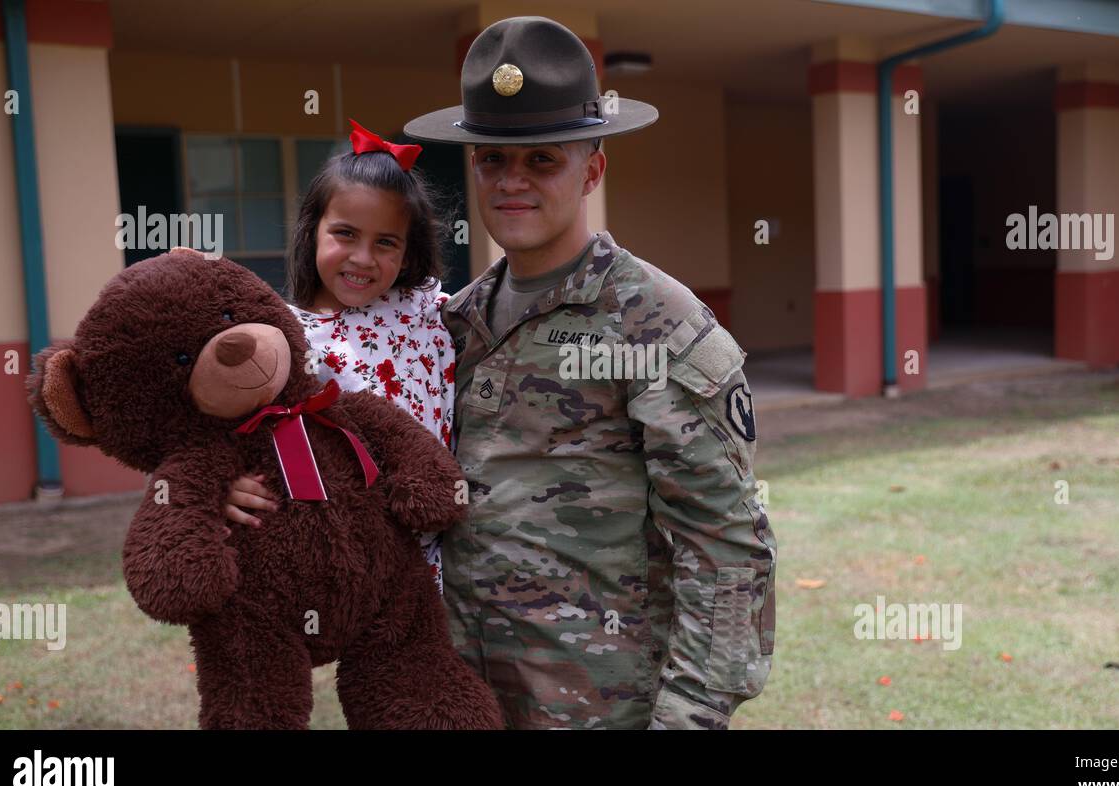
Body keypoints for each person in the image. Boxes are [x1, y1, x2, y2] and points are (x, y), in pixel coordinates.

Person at [402, 15, 776, 729]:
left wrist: (692, 713)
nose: (512, 182)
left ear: (592, 169)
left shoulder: (657, 325)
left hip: (601, 707)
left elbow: (726, 542)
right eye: (491, 160)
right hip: (464, 696)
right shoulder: (453, 322)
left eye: (542, 160)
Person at [224, 118, 455, 592]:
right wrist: (225, 484)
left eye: (386, 242)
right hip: (359, 571)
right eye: (345, 234)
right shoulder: (284, 339)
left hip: (453, 559)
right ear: (313, 231)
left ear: (409, 253)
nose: (363, 258)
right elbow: (230, 427)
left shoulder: (428, 309)